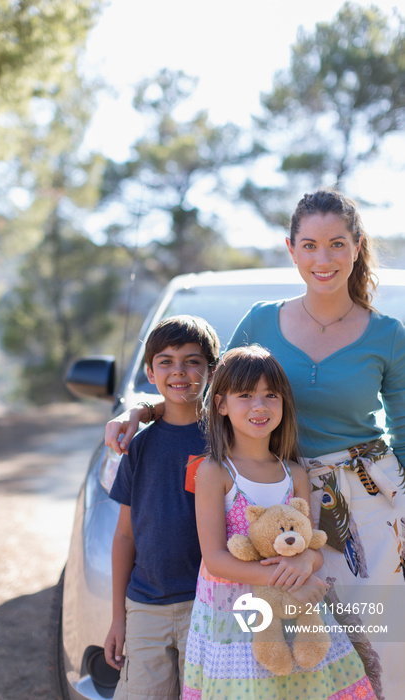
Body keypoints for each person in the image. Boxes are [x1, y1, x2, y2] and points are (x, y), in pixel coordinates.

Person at [104, 189, 405, 699]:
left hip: (367, 505)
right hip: (272, 500)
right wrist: (145, 410)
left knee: (383, 636)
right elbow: (213, 395)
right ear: (291, 250)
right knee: (282, 648)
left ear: (357, 246)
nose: (323, 258)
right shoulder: (261, 321)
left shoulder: (389, 334)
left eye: (336, 244)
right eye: (309, 245)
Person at [182, 345, 376, 699]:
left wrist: (306, 563)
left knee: (300, 684)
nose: (260, 406)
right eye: (246, 395)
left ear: (284, 403)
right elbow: (215, 558)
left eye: (271, 395)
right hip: (236, 611)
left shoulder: (295, 473)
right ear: (221, 405)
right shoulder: (215, 471)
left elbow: (312, 545)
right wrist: (287, 579)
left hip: (297, 605)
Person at [104, 314, 220, 699]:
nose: (180, 371)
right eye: (166, 361)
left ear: (212, 369)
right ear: (150, 373)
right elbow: (124, 536)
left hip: (208, 607)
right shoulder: (138, 444)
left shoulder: (225, 441)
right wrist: (119, 616)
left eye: (192, 361)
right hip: (145, 608)